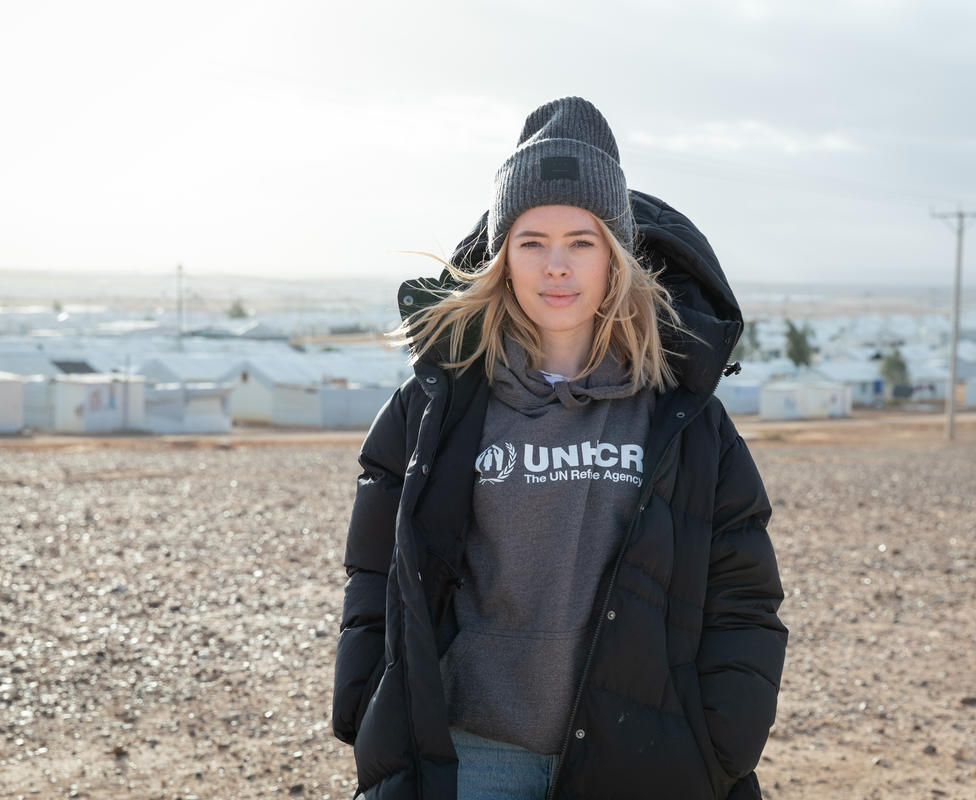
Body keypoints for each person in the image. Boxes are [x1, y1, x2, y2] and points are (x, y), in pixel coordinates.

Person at [333, 97, 787, 800]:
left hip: (641, 757)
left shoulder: (681, 415)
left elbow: (743, 597)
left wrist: (722, 743)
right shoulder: (436, 406)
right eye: (531, 240)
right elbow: (376, 570)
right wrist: (366, 702)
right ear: (501, 256)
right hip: (472, 754)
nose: (557, 266)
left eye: (581, 241)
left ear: (616, 256)